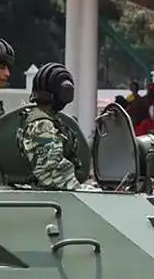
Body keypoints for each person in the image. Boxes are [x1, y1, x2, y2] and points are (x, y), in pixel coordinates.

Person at [17, 63, 100, 191]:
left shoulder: (49, 120)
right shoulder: (41, 124)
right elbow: (50, 171)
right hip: (50, 196)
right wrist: (81, 189)